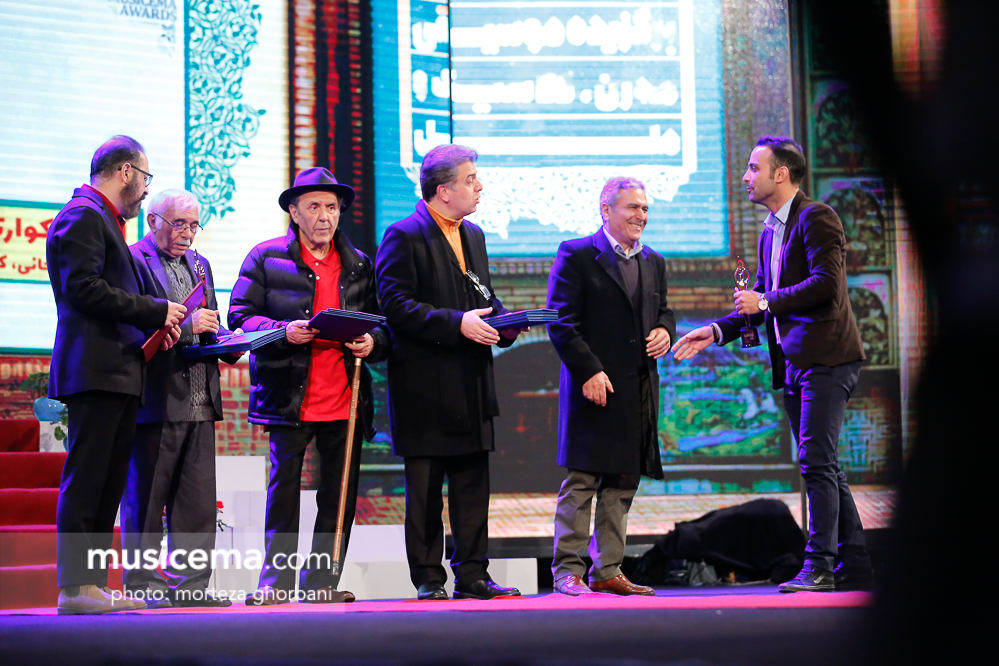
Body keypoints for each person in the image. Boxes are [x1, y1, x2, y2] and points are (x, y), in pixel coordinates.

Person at [672, 136, 874, 593]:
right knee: (823, 464)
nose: (745, 177)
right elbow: (761, 299)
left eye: (752, 168)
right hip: (794, 363)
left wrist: (764, 300)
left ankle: (819, 565)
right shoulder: (769, 231)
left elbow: (826, 284)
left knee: (815, 462)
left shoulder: (816, 217)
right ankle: (857, 562)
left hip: (828, 357)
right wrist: (716, 331)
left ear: (780, 174)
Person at [228, 167, 387, 605]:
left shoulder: (359, 265)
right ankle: (274, 585)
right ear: (294, 213)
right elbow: (240, 317)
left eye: (332, 207)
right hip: (289, 397)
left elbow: (384, 326)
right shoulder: (265, 257)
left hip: (346, 400)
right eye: (314, 206)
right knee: (283, 496)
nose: (324, 216)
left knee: (338, 499)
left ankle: (322, 584)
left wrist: (373, 342)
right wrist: (282, 331)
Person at [375, 144, 523, 601]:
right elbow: (394, 306)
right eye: (471, 180)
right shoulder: (403, 235)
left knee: (472, 485)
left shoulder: (473, 235)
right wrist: (456, 322)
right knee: (425, 490)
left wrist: (507, 323)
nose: (480, 187)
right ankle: (428, 578)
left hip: (471, 380)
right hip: (424, 385)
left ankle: (474, 576)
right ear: (443, 190)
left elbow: (482, 297)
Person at [46, 135, 187, 614]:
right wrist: (154, 309)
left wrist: (154, 331)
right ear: (126, 171)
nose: (146, 190)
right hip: (94, 370)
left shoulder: (102, 219)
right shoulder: (83, 215)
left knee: (107, 482)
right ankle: (74, 587)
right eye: (145, 178)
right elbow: (84, 288)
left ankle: (91, 585)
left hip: (118, 369)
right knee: (88, 479)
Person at [545, 177, 676, 596]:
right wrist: (588, 371)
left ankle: (607, 569)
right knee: (582, 481)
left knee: (622, 482)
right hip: (593, 388)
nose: (641, 215)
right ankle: (568, 571)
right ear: (606, 211)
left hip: (637, 388)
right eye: (633, 207)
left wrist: (665, 330)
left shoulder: (653, 261)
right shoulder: (577, 254)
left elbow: (664, 311)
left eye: (645, 208)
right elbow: (560, 321)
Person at [120, 189, 241, 609]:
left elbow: (211, 325)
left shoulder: (200, 264)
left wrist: (232, 341)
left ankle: (191, 586)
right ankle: (144, 586)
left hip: (201, 399)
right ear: (153, 220)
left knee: (197, 504)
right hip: (157, 398)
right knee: (147, 501)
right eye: (179, 224)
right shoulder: (133, 261)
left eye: (193, 225)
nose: (187, 234)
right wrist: (189, 327)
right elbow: (132, 331)